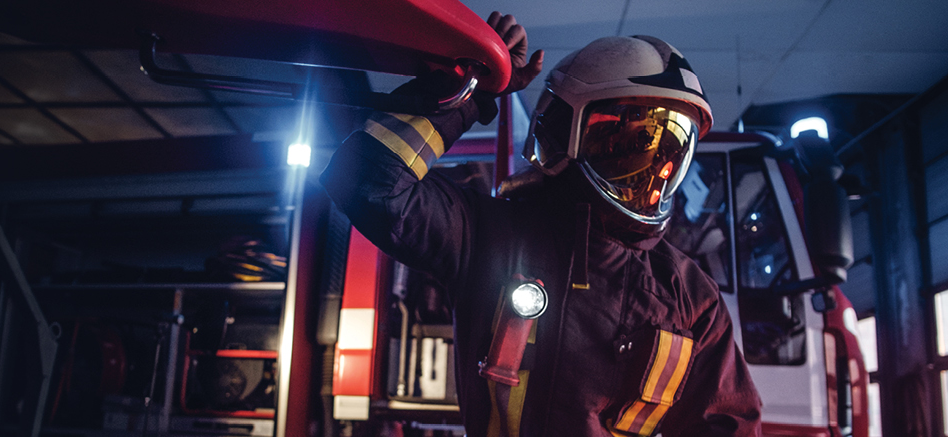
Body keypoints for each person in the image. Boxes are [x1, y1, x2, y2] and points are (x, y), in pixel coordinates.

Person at [319, 11, 762, 437]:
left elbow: (730, 426)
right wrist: (471, 91)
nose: (651, 163)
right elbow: (367, 183)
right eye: (628, 137)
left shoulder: (693, 300)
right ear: (563, 130)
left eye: (667, 146)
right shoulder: (490, 236)